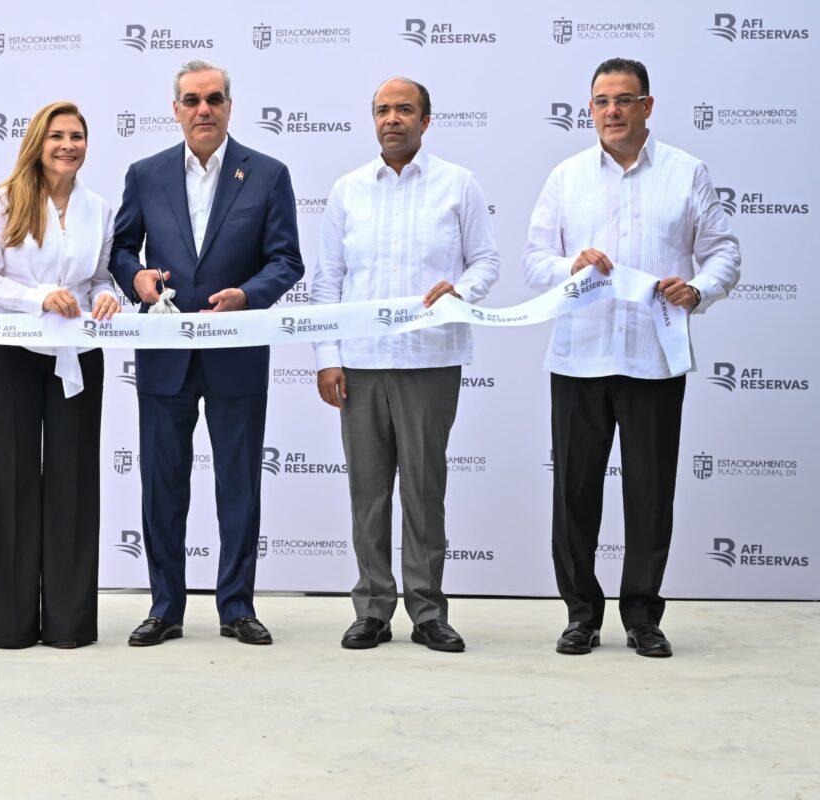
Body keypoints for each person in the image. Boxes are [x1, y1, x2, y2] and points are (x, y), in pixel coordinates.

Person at [523, 58, 740, 658]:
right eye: (601, 101)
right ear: (589, 109)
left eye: (624, 99)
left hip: (654, 356)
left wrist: (698, 290)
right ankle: (580, 614)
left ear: (648, 106)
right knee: (573, 494)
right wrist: (570, 265)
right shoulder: (566, 177)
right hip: (578, 357)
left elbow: (723, 251)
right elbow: (533, 259)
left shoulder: (686, 172)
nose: (611, 111)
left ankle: (643, 616)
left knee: (649, 492)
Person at [109, 59, 304, 646]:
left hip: (235, 352)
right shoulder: (145, 174)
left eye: (214, 99)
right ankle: (165, 607)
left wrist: (248, 295)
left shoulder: (267, 174)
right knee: (162, 486)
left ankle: (236, 608)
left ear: (229, 106)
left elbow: (287, 260)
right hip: (165, 355)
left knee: (238, 485)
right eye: (191, 100)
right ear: (175, 109)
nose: (203, 109)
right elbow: (121, 249)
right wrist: (137, 280)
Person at [311, 78, 500, 653]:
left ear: (426, 119)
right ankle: (372, 607)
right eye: (383, 110)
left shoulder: (457, 185)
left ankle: (427, 612)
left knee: (424, 489)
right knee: (368, 493)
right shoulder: (348, 190)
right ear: (373, 120)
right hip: (361, 364)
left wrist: (460, 290)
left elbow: (486, 262)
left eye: (405, 110)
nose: (393, 119)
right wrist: (327, 357)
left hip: (430, 360)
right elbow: (328, 281)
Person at [0, 101, 119, 649]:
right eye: (57, 136)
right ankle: (8, 625)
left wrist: (106, 299)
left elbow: (101, 277)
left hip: (77, 355)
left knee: (74, 480)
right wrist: (38, 298)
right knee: (11, 478)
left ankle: (69, 624)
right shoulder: (4, 199)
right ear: (38, 141)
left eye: (77, 136)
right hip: (12, 349)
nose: (68, 145)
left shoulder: (99, 207)